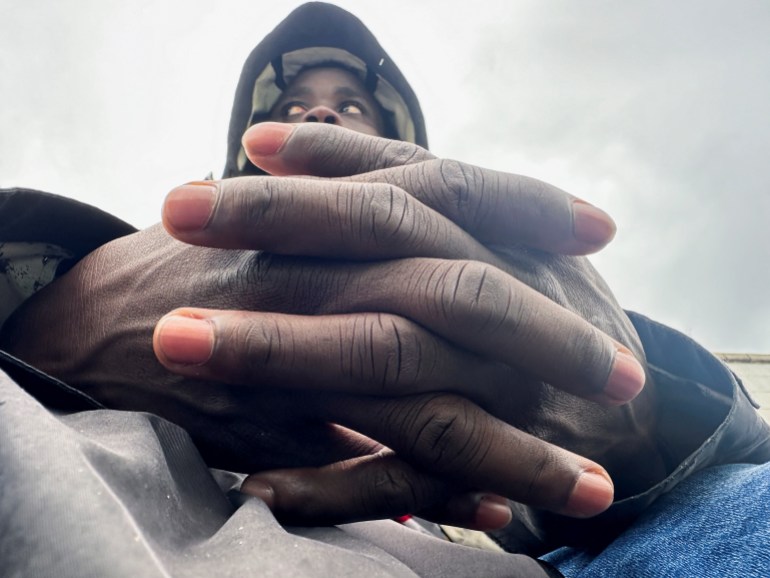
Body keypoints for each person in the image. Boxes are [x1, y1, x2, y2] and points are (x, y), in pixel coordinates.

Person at [0, 3, 767, 576]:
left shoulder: (515, 306)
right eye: (292, 109)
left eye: (349, 103)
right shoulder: (116, 259)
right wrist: (55, 317)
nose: (321, 110)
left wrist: (643, 429)